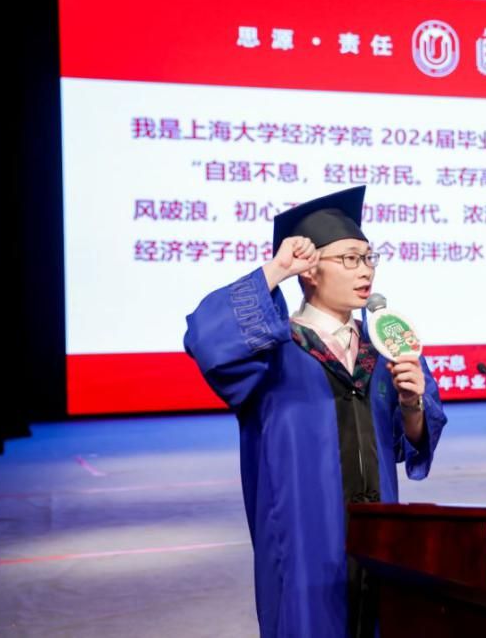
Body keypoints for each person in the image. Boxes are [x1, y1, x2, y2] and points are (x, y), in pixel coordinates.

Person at [183, 185, 447, 637]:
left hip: (379, 537)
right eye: (350, 259)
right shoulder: (272, 349)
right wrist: (275, 269)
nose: (365, 270)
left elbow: (412, 441)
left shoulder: (384, 347)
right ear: (309, 272)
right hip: (302, 538)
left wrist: (412, 405)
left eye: (369, 258)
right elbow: (206, 339)